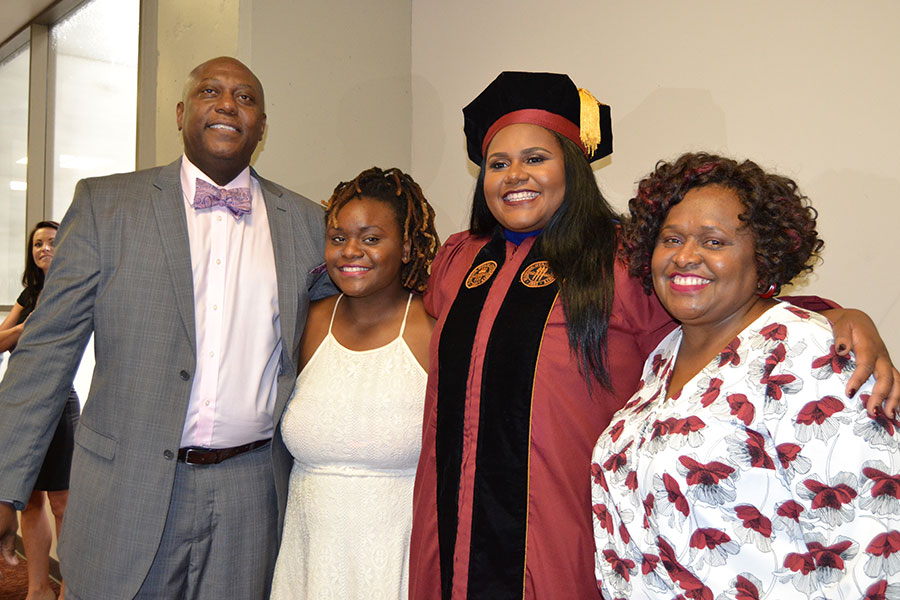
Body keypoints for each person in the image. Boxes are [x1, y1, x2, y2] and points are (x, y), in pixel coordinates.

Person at [408, 71, 899, 600]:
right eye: (497, 164)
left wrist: (834, 315)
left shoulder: (621, 260)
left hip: (560, 538)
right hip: (450, 530)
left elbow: (718, 315)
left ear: (572, 167)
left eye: (536, 158)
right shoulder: (459, 259)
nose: (514, 175)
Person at [0, 56, 333, 599]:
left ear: (263, 127)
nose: (228, 104)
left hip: (250, 493)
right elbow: (47, 352)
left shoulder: (308, 222)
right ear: (182, 113)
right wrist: (5, 483)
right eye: (210, 92)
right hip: (125, 488)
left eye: (246, 98)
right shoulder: (106, 205)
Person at [591, 152, 900, 598]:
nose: (686, 257)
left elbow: (880, 545)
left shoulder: (810, 355)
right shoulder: (661, 360)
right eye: (671, 239)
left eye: (714, 242)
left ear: (764, 257)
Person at [270, 166, 439, 599]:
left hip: (394, 559)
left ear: (405, 247)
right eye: (338, 237)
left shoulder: (433, 328)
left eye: (371, 238)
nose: (350, 251)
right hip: (307, 558)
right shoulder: (308, 322)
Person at [0, 220, 79, 600]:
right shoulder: (28, 295)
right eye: (37, 244)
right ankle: (37, 589)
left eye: (51, 241)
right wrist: (24, 328)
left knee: (62, 503)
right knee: (28, 502)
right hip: (20, 406)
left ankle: (67, 589)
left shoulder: (74, 291)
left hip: (59, 404)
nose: (44, 248)